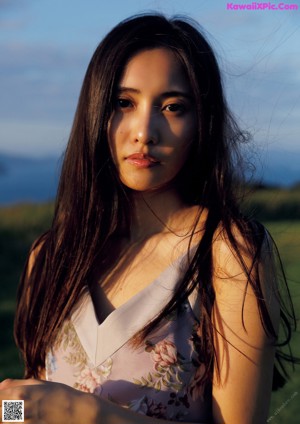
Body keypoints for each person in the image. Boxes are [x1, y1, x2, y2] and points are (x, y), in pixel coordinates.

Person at [0, 14, 296, 424]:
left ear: (201, 123)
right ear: (95, 111)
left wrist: (85, 412)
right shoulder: (50, 256)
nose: (144, 131)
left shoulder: (227, 253)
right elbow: (28, 404)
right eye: (124, 103)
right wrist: (8, 408)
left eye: (173, 107)